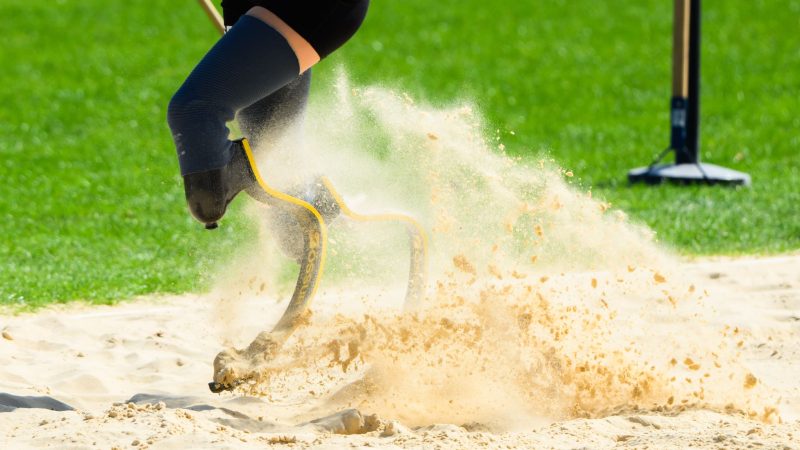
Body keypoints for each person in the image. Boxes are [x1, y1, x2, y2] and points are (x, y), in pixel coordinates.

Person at [167, 0, 369, 230]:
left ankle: (257, 175)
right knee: (288, 211)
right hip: (250, 9)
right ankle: (331, 220)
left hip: (305, 8)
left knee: (196, 112)